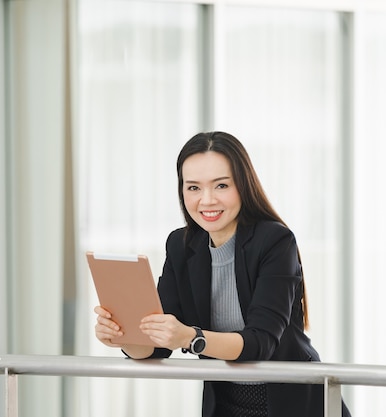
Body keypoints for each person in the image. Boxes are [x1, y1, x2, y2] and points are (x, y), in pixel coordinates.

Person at [94, 131, 352, 417]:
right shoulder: (182, 246)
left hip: (294, 402)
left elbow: (260, 343)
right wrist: (125, 336)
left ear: (242, 185)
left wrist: (190, 338)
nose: (206, 200)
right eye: (193, 188)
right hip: (227, 404)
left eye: (221, 186)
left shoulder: (275, 241)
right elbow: (157, 347)